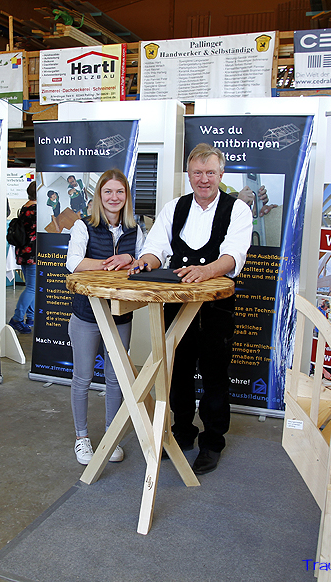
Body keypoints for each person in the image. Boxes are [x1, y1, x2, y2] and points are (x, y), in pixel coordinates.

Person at [131, 143, 253, 475]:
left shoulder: (238, 210)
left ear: (221, 174)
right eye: (197, 173)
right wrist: (146, 262)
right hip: (177, 303)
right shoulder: (175, 207)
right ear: (188, 174)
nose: (204, 179)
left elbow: (233, 255)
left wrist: (207, 270)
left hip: (216, 307)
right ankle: (182, 432)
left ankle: (212, 442)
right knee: (179, 371)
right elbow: (156, 247)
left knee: (215, 374)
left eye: (210, 172)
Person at [67, 169, 145, 465]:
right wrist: (108, 263)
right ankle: (82, 438)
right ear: (99, 196)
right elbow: (73, 262)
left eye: (120, 192)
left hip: (120, 316)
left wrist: (131, 259)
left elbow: (148, 261)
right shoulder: (83, 226)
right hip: (87, 315)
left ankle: (112, 436)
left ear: (127, 196)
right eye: (108, 191)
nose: (114, 197)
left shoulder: (136, 230)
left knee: (115, 378)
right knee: (83, 378)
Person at [8, 181, 37, 334]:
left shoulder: (24, 208)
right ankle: (17, 319)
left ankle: (30, 318)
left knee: (31, 286)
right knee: (32, 287)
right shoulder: (36, 210)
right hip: (32, 254)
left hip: (23, 252)